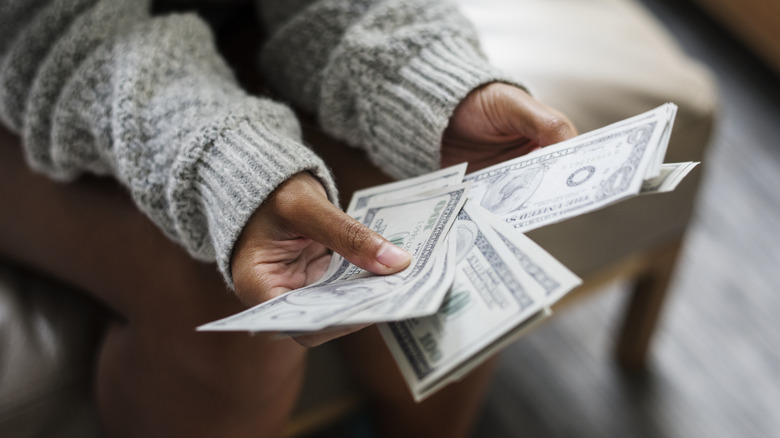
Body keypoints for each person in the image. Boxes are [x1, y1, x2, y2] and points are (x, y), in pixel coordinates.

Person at [0, 0, 576, 436]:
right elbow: (47, 29)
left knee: (441, 213)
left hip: (234, 24)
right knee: (235, 308)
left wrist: (425, 76)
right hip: (30, 57)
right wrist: (230, 163)